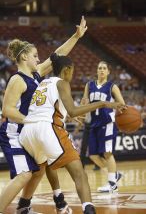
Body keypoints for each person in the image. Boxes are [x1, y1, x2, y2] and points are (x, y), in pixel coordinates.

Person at [0, 16, 87, 214]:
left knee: (38, 169)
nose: (39, 59)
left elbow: (56, 56)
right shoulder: (17, 80)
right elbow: (7, 110)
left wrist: (76, 36)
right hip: (13, 133)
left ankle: (23, 207)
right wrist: (29, 119)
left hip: (27, 132)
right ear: (24, 58)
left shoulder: (36, 74)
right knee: (24, 175)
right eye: (35, 56)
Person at [19, 53, 125, 214]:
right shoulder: (62, 83)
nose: (73, 74)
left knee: (43, 167)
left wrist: (68, 115)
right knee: (79, 173)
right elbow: (73, 111)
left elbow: (51, 107)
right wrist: (102, 103)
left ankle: (25, 206)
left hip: (28, 132)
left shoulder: (43, 82)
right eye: (72, 70)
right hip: (47, 129)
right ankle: (88, 210)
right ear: (67, 69)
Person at [82, 61, 126, 193]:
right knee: (93, 156)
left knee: (107, 153)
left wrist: (104, 104)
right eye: (99, 68)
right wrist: (81, 112)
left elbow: (122, 104)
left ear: (108, 72)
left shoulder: (111, 86)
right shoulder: (89, 85)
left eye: (104, 68)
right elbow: (85, 102)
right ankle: (115, 175)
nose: (101, 70)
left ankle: (112, 184)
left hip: (107, 123)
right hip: (94, 124)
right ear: (97, 71)